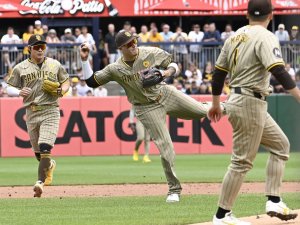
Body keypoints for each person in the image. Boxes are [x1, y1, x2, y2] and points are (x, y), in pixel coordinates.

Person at [79, 30, 225, 203]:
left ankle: (226, 106)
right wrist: (84, 60)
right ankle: (174, 189)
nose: (134, 45)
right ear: (120, 48)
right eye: (129, 44)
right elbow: (91, 82)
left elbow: (173, 63)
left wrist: (166, 73)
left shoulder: (149, 52)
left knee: (202, 111)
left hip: (166, 93)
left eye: (135, 41)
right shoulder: (115, 68)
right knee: (166, 146)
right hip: (146, 108)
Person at [208, 0, 300, 224]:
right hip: (250, 100)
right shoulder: (266, 36)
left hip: (242, 99)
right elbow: (278, 70)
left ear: (247, 14)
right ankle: (222, 215)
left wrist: (215, 102)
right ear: (272, 15)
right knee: (241, 162)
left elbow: (219, 73)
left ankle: (274, 199)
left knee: (280, 145)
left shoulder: (235, 35)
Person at [6, 34, 70, 198]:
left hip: (50, 109)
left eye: (42, 46)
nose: (40, 49)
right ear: (29, 49)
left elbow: (66, 81)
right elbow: (8, 87)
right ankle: (50, 165)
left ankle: (39, 183)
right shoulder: (21, 67)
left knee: (45, 148)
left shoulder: (54, 64)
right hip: (31, 112)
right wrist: (19, 92)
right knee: (38, 154)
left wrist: (62, 91)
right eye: (36, 47)